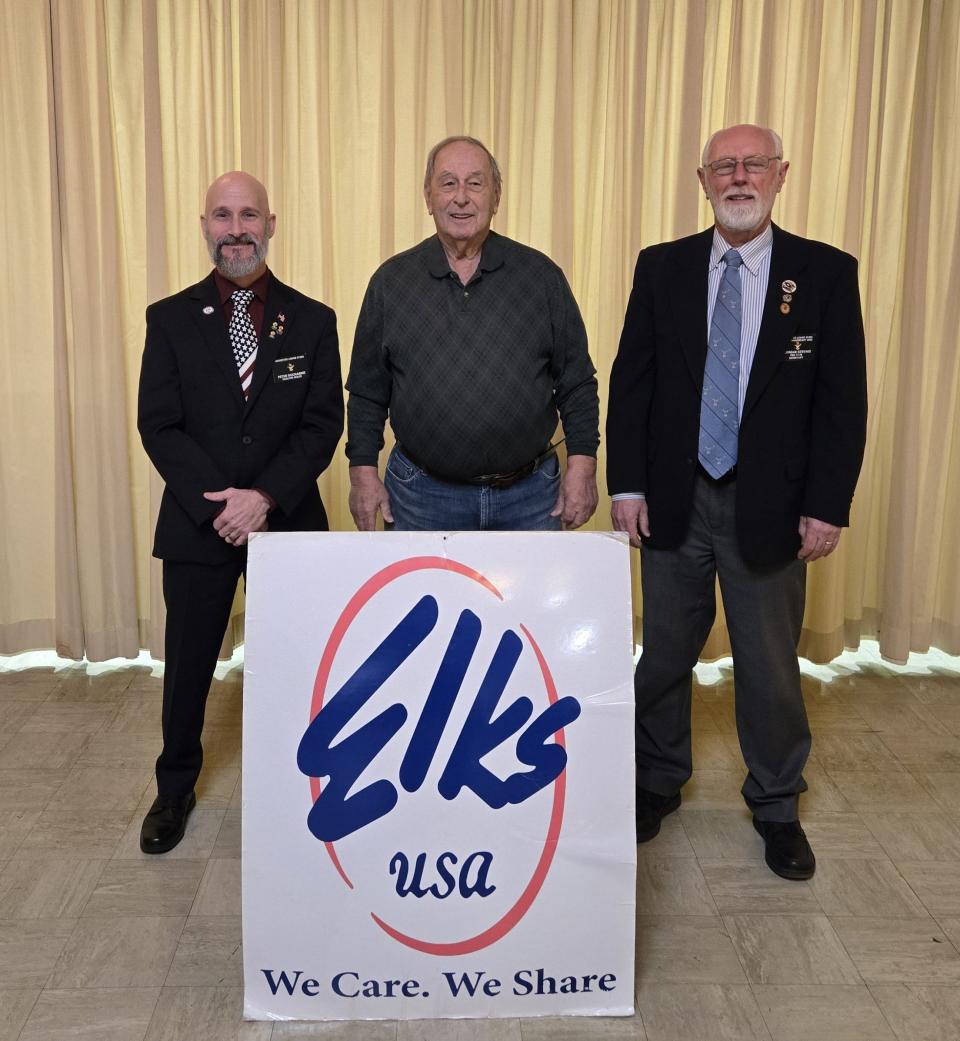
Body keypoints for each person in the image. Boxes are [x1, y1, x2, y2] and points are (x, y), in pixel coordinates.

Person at [606, 124, 867, 880]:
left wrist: (827, 504)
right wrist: (627, 484)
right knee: (664, 655)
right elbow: (634, 383)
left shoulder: (824, 273)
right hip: (673, 501)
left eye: (754, 163)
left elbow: (841, 401)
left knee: (769, 665)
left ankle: (778, 802)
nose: (740, 176)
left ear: (781, 174)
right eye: (726, 165)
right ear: (703, 178)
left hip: (775, 508)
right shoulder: (663, 268)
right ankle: (656, 781)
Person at [137, 171, 343, 853]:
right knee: (188, 668)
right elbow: (159, 424)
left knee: (298, 666)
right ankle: (174, 789)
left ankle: (302, 789)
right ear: (204, 226)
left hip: (286, 524)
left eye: (248, 214)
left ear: (272, 223)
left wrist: (263, 498)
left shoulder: (313, 320)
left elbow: (321, 426)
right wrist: (220, 503)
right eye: (222, 216)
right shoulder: (168, 319)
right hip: (199, 527)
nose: (236, 229)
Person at [345, 135, 599, 532]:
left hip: (531, 499)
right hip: (421, 499)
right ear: (428, 197)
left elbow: (577, 383)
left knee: (528, 598)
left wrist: (582, 469)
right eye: (447, 183)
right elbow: (366, 392)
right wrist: (362, 475)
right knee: (421, 597)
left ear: (496, 197)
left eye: (475, 183)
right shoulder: (390, 283)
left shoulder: (541, 278)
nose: (460, 197)